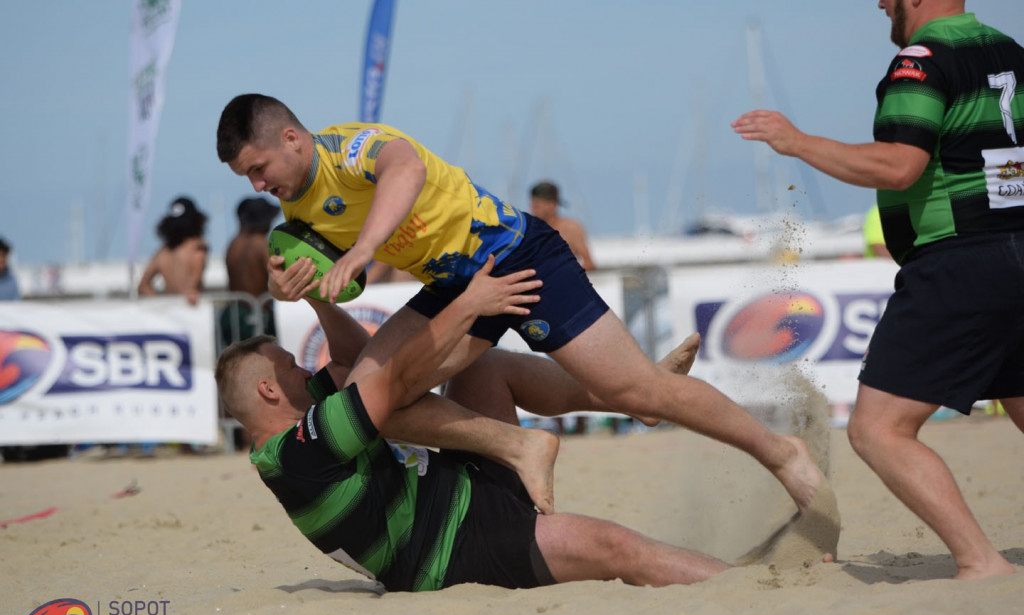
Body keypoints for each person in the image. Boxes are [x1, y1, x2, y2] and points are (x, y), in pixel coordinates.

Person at [216, 95, 838, 551]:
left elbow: (404, 171)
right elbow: (297, 274)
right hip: (455, 285)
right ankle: (527, 444)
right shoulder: (294, 216)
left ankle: (780, 453)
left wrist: (361, 250)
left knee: (640, 390)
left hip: (518, 256)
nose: (258, 182)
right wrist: (284, 284)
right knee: (369, 400)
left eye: (259, 166)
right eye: (247, 177)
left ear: (294, 138)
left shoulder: (349, 147)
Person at [216, 259, 737, 591]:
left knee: (484, 369)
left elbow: (362, 357)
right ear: (268, 390)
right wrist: (469, 306)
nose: (305, 369)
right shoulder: (299, 451)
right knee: (617, 548)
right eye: (291, 366)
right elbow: (390, 379)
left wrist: (316, 295)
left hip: (461, 486)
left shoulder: (302, 429)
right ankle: (743, 585)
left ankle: (633, 397)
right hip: (457, 549)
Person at [732, 0, 1024, 579]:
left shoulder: (922, 59)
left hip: (960, 259)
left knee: (878, 429)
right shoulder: (1010, 52)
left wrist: (797, 142)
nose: (880, 4)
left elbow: (897, 166)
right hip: (1014, 247)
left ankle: (981, 561)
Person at [222, 196, 281, 344]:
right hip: (256, 316)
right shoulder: (261, 244)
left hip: (233, 314)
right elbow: (279, 278)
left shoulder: (234, 243)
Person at [137, 196, 209, 305]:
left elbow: (143, 287)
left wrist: (161, 303)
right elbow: (193, 286)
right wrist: (190, 293)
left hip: (170, 315)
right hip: (193, 311)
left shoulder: (162, 252)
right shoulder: (197, 247)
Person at [529, 181, 596, 272]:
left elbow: (589, 263)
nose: (532, 210)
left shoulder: (570, 228)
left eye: (537, 206)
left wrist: (564, 276)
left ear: (552, 205)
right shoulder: (531, 231)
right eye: (532, 206)